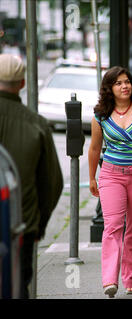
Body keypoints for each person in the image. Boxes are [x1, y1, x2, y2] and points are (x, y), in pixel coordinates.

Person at [88, 66, 132, 298]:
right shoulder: (100, 116)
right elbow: (95, 148)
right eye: (118, 83)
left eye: (127, 81)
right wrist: (91, 178)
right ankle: (109, 280)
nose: (124, 86)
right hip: (111, 175)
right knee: (113, 226)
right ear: (109, 88)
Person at [0, 54, 63, 298]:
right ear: (22, 83)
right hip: (20, 224)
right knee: (17, 284)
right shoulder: (36, 124)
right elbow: (52, 183)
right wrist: (38, 223)